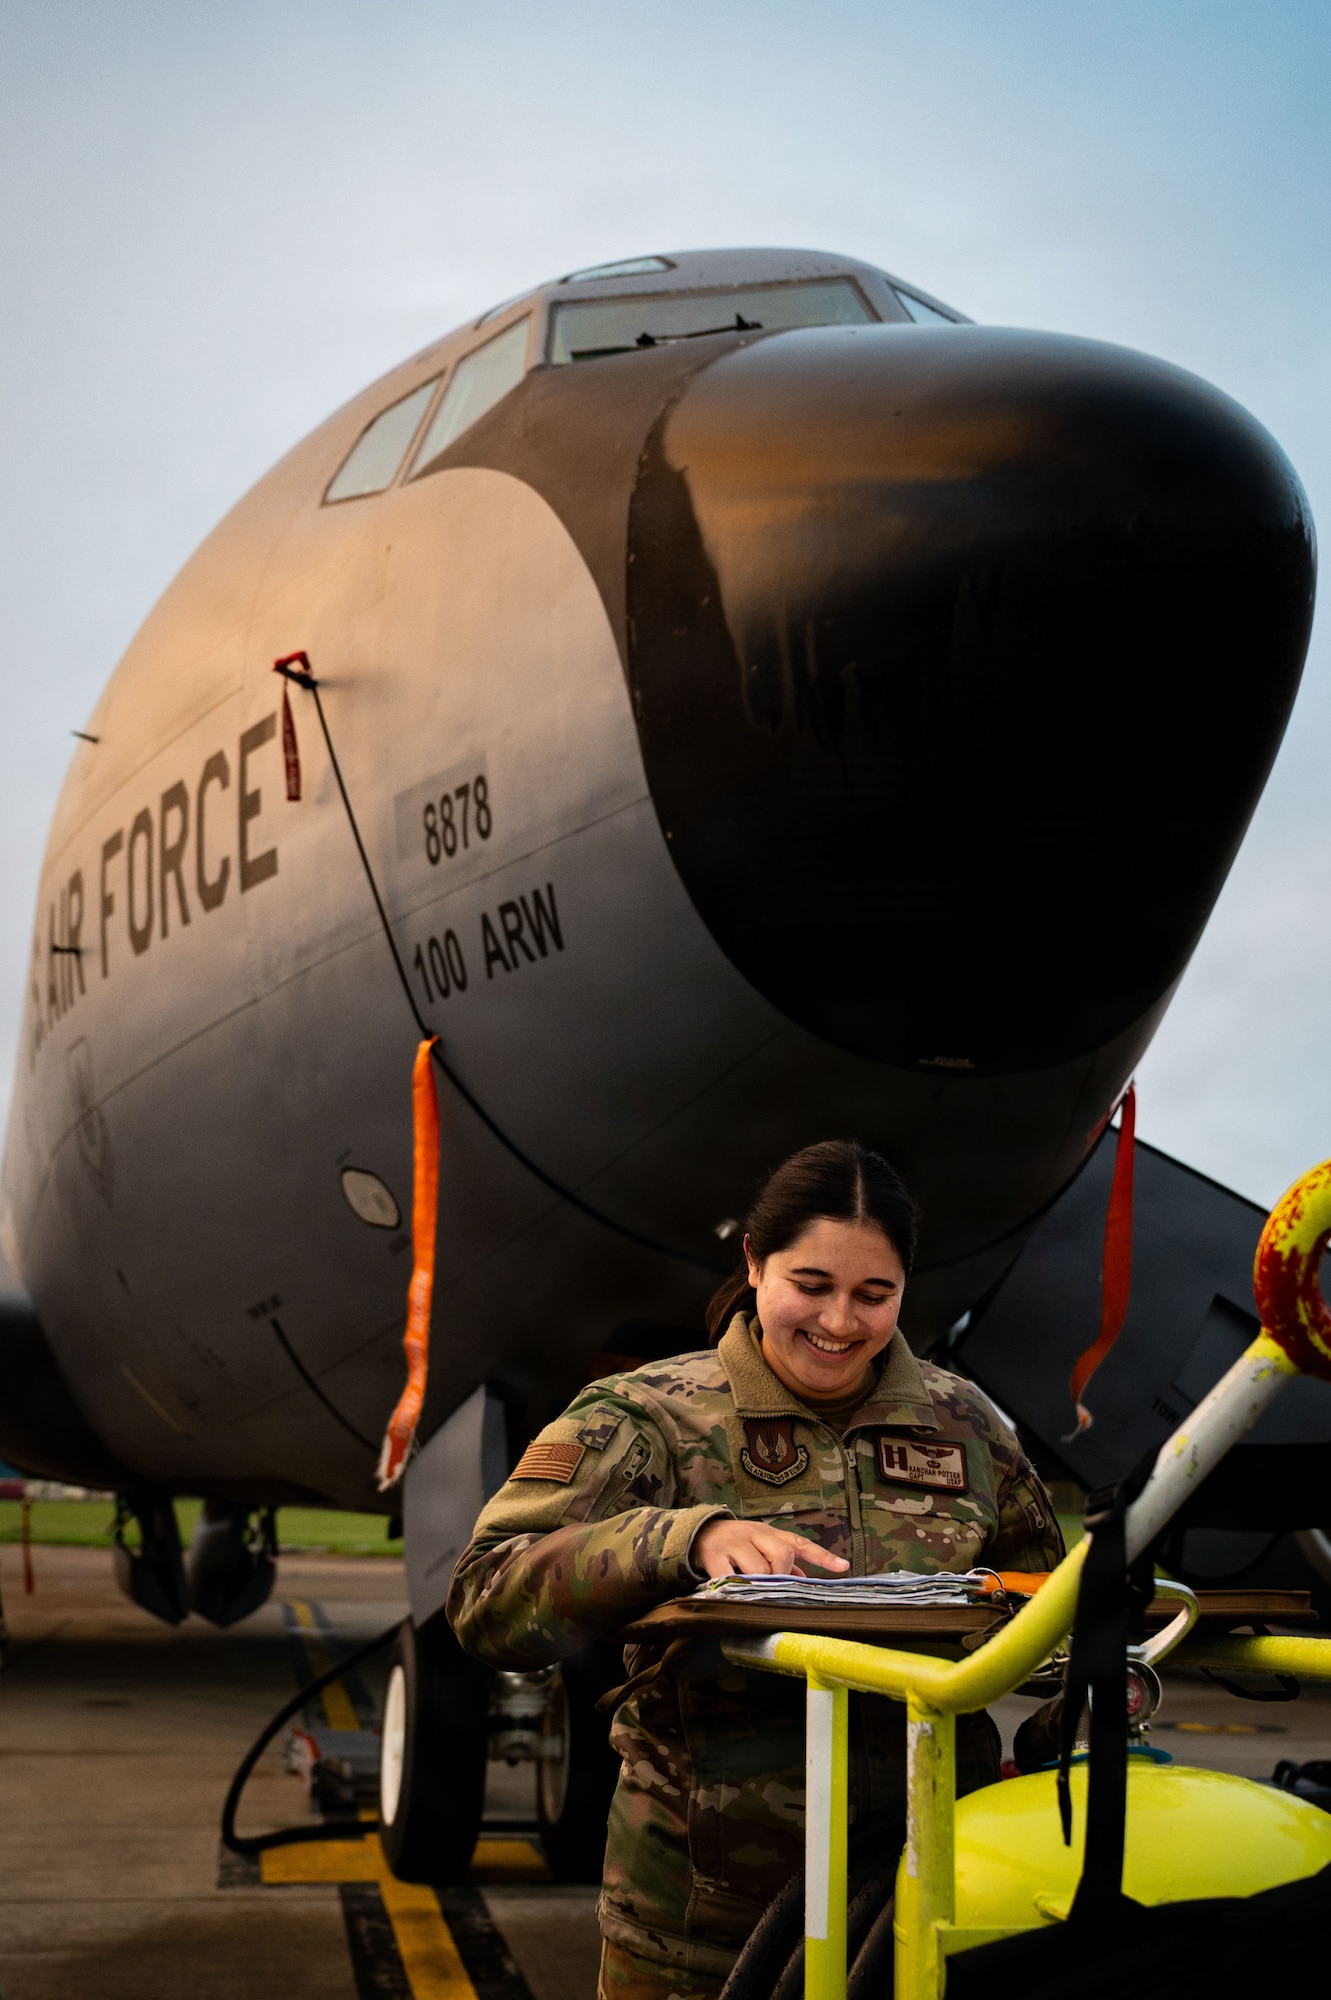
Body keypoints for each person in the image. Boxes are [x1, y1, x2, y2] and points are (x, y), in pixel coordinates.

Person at [448, 1141, 1063, 2000]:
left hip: (923, 1910)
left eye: (872, 1295)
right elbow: (486, 1602)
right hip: (700, 1932)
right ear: (752, 1263)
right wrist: (679, 1539)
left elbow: (1052, 1622)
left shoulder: (965, 1426)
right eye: (810, 1286)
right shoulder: (646, 1415)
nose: (839, 1322)